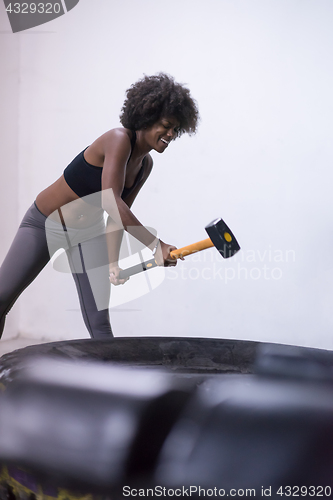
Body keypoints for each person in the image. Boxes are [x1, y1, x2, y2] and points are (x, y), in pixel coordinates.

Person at [0, 73, 199, 340]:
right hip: (45, 224)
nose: (171, 134)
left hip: (86, 236)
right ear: (147, 117)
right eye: (166, 125)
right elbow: (110, 201)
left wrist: (113, 263)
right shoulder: (118, 139)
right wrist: (156, 245)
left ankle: (109, 380)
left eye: (176, 129)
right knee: (2, 298)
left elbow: (116, 216)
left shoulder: (145, 165)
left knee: (100, 326)